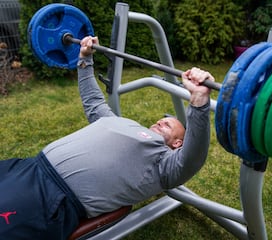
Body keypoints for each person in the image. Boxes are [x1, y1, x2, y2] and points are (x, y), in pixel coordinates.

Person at [0, 36, 215, 239]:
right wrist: (85, 59)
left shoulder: (166, 165)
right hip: (27, 167)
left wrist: (198, 101)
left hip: (51, 198)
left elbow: (193, 157)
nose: (160, 121)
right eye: (161, 119)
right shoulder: (123, 123)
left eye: (168, 125)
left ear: (177, 143)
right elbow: (94, 102)